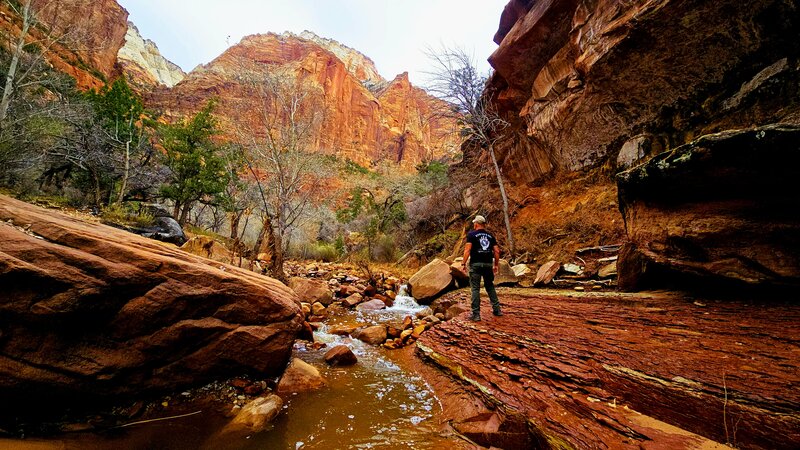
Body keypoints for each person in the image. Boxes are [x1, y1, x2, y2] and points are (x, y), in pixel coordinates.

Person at [461, 215, 502, 321]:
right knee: (490, 287)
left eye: (474, 223)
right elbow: (497, 251)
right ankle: (497, 310)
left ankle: (476, 314)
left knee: (475, 289)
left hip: (476, 264)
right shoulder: (490, 236)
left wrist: (463, 263)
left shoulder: (471, 235)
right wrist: (496, 265)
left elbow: (467, 250)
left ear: (476, 224)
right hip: (488, 264)